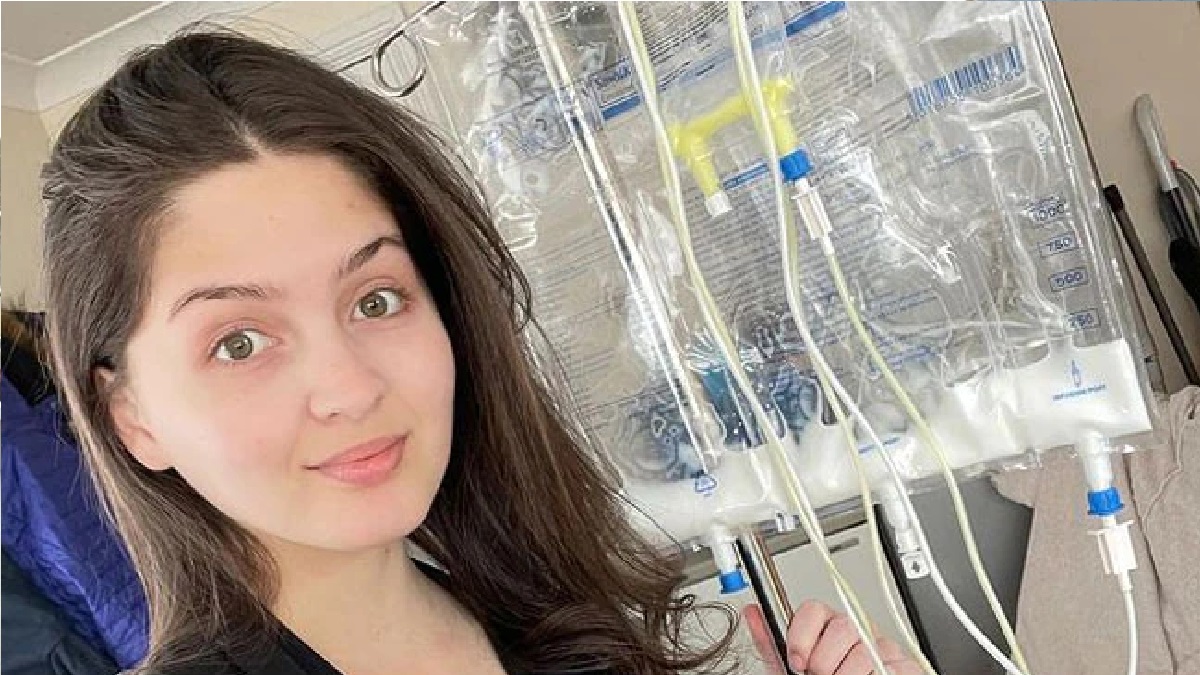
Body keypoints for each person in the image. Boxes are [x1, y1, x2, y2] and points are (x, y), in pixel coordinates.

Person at [38, 29, 920, 675]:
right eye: (239, 341)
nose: (348, 386)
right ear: (134, 416)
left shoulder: (551, 620)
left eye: (375, 299)